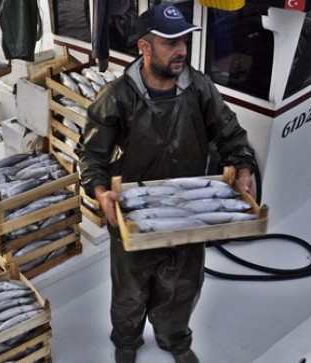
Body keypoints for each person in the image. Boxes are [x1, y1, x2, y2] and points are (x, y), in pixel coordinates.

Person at [76, 4, 257, 363]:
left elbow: (230, 134)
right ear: (144, 47)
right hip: (134, 213)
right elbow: (90, 157)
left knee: (184, 287)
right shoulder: (117, 96)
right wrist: (101, 192)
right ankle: (127, 341)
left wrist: (243, 166)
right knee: (129, 291)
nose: (182, 50)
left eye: (185, 40)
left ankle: (175, 340)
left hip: (190, 209)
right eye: (171, 42)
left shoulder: (200, 86)